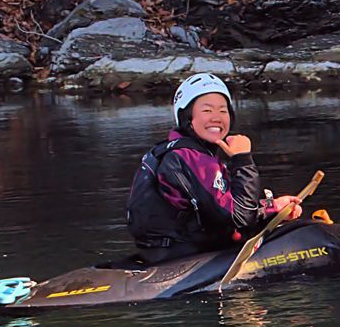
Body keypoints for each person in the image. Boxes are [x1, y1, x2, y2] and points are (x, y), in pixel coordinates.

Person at [126, 73, 302, 263]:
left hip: (162, 252)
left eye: (223, 111)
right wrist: (242, 160)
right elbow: (239, 218)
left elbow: (223, 208)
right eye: (207, 111)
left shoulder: (175, 152)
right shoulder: (191, 158)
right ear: (187, 117)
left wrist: (272, 207)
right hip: (181, 256)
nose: (217, 118)